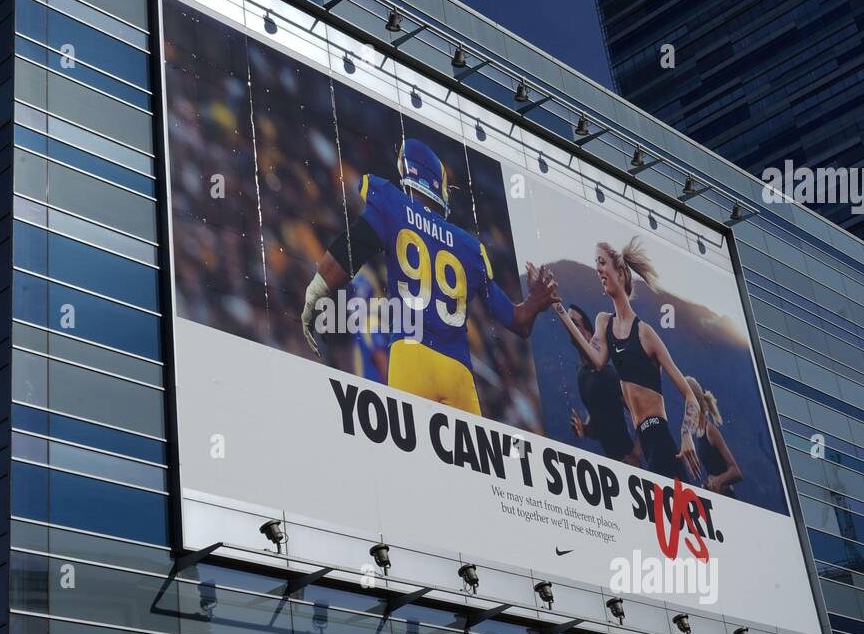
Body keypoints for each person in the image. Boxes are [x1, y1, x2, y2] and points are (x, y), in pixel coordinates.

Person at [299, 138, 558, 415]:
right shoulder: (469, 247)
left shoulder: (392, 204)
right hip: (457, 372)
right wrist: (536, 300)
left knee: (406, 455)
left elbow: (349, 249)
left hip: (410, 357)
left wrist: (315, 292)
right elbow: (518, 322)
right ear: (441, 187)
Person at [571, 237, 702, 481]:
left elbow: (690, 395)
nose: (598, 268)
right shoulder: (603, 322)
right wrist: (560, 312)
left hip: (661, 441)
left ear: (620, 273)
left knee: (674, 517)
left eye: (602, 262)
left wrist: (686, 436)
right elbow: (596, 360)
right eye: (595, 263)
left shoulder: (645, 334)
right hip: (645, 443)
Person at [553, 302, 640, 464]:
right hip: (611, 464)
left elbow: (641, 416)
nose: (570, 326)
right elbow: (597, 426)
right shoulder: (582, 374)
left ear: (588, 334)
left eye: (575, 324)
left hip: (627, 460)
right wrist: (584, 429)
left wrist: (635, 455)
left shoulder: (607, 374)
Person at [685, 376, 742, 496]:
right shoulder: (699, 432)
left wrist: (718, 481)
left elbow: (736, 471)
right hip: (716, 496)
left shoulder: (710, 431)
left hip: (727, 496)